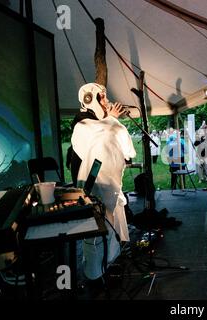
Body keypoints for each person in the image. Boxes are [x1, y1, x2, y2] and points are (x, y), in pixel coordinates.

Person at [70, 82, 136, 280]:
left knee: (112, 226)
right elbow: (101, 136)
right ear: (91, 99)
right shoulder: (82, 123)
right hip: (94, 187)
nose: (107, 102)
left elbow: (123, 144)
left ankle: (109, 263)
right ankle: (95, 275)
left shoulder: (104, 122)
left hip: (110, 184)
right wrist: (112, 119)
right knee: (97, 231)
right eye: (103, 98)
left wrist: (111, 120)